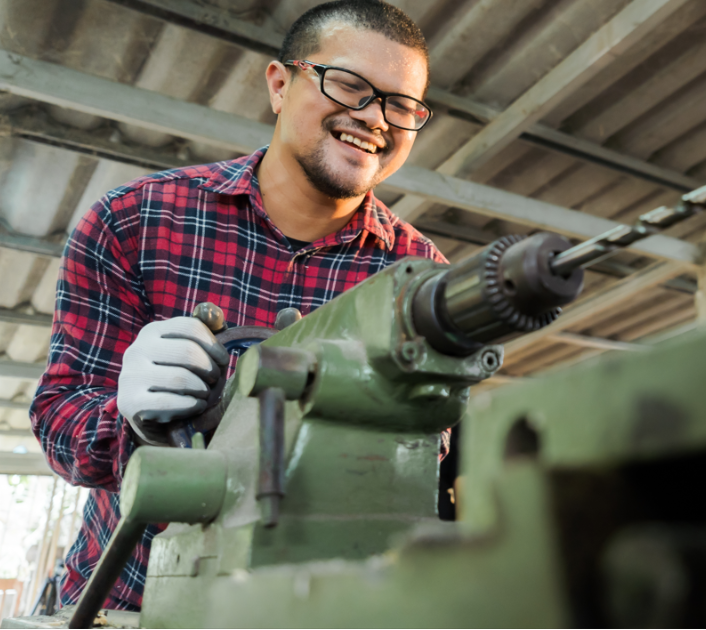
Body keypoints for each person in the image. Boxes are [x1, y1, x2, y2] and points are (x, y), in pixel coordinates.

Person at [30, 0, 444, 611]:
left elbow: (425, 450)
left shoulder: (420, 282)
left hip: (311, 607)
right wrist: (128, 419)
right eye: (348, 85)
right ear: (279, 85)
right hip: (125, 603)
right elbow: (59, 418)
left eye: (401, 106)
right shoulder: (134, 220)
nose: (374, 117)